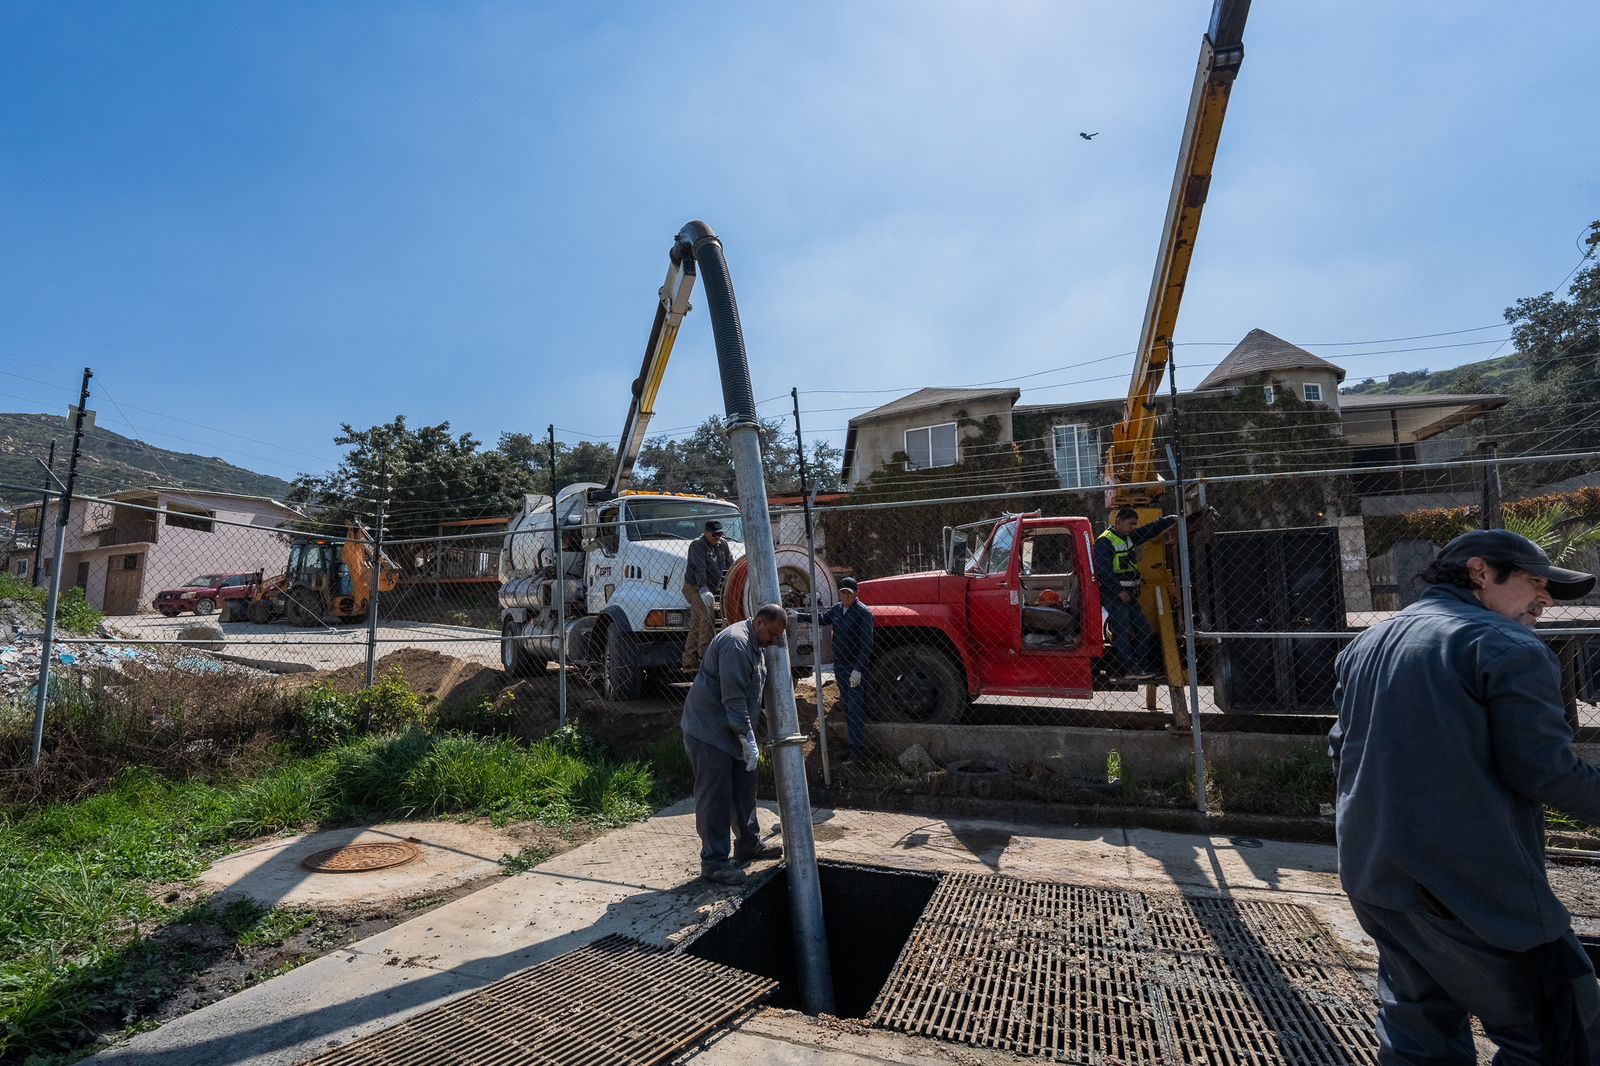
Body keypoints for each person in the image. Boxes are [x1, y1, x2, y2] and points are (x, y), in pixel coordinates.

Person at [1330, 529, 1600, 1061]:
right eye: (1534, 583)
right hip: (1471, 894)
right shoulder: (1506, 646)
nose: (1545, 599)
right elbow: (1545, 772)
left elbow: (1342, 754)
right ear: (1480, 572)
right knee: (1557, 1034)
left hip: (1378, 880)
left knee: (1418, 1035)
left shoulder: (1368, 643)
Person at [681, 602, 788, 885]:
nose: (774, 641)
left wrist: (746, 735)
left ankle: (748, 843)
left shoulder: (757, 643)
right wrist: (748, 737)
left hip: (733, 729)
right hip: (709, 731)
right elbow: (734, 700)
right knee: (716, 796)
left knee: (744, 787)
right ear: (759, 623)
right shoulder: (736, 645)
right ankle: (714, 861)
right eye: (772, 634)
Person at [1093, 507, 1175, 681]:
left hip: (1128, 594)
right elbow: (1103, 571)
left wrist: (1168, 520)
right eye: (1130, 523)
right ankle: (1132, 668)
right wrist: (1119, 590)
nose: (1133, 527)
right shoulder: (1105, 541)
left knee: (1143, 629)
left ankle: (1141, 666)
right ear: (1119, 521)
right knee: (1122, 632)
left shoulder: (1127, 537)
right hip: (1115, 595)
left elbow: (1147, 532)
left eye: (1134, 524)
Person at [814, 577, 875, 762]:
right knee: (848, 708)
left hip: (854, 667)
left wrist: (858, 670)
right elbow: (822, 619)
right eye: (843, 592)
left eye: (849, 592)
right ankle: (852, 749)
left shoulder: (863, 613)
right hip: (839, 666)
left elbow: (867, 645)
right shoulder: (837, 610)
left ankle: (857, 754)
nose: (846, 596)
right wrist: (796, 615)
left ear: (856, 593)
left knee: (855, 709)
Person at [682, 519, 734, 671]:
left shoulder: (722, 544)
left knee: (697, 624)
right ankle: (704, 659)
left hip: (710, 587)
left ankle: (688, 660)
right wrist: (703, 589)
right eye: (714, 534)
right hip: (693, 587)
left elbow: (730, 564)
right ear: (706, 532)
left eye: (720, 534)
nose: (717, 537)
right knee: (707, 619)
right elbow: (700, 569)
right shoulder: (697, 545)